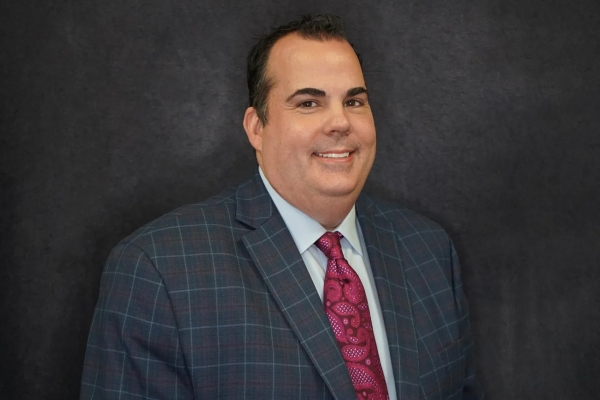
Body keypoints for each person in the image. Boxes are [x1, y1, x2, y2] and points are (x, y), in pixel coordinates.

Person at [81, 14, 483, 400]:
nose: (340, 122)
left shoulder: (428, 250)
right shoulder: (159, 269)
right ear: (257, 128)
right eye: (309, 103)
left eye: (354, 101)